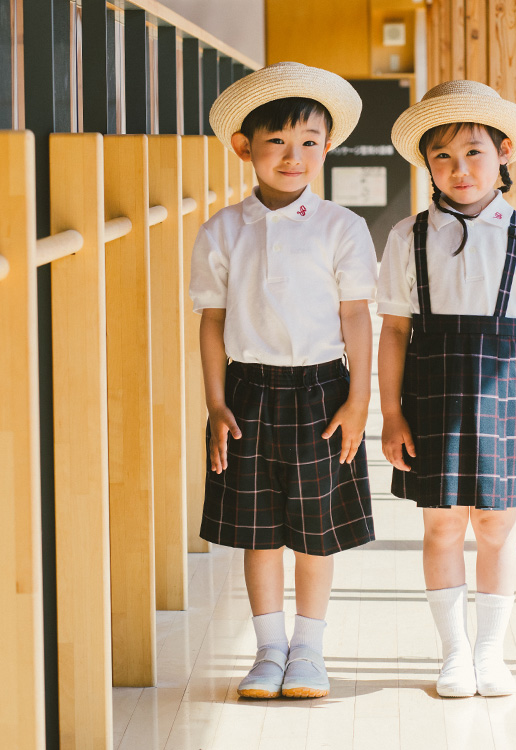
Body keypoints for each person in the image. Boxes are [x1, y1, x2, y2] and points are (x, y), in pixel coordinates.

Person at [190, 62, 377, 700]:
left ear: (326, 147)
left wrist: (359, 401)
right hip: (246, 390)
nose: (293, 157)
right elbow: (212, 324)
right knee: (259, 527)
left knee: (314, 528)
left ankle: (310, 651)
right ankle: (269, 651)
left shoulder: (342, 228)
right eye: (276, 142)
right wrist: (215, 403)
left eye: (309, 143)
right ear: (245, 146)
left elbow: (357, 317)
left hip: (323, 389)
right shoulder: (220, 229)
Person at [377, 80, 516, 698]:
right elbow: (394, 333)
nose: (460, 169)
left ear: (504, 152)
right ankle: (453, 653)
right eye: (444, 156)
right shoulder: (407, 237)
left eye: (475, 152)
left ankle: (491, 653)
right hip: (431, 391)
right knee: (440, 527)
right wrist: (391, 414)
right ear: (426, 163)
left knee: (497, 526)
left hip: (507, 391)